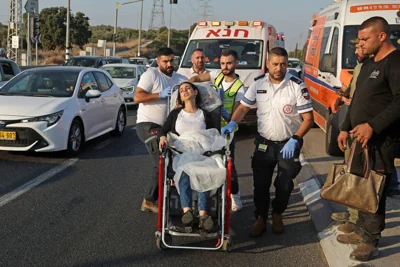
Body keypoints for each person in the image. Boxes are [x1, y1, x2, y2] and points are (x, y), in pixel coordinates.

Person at [222, 47, 314, 237]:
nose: (279, 68)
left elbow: (308, 119)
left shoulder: (297, 86)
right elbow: (243, 108)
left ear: (287, 64)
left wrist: (295, 139)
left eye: (283, 64)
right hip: (264, 144)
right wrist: (232, 122)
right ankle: (261, 218)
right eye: (275, 64)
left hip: (288, 144)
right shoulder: (258, 84)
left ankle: (278, 213)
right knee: (261, 185)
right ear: (267, 64)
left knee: (285, 184)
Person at [337, 16, 400, 262]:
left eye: (365, 38)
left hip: (381, 140)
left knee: (374, 188)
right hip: (359, 138)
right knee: (361, 186)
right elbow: (356, 101)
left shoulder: (395, 62)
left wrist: (372, 125)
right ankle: (361, 229)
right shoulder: (371, 63)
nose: (361, 43)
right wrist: (344, 127)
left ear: (382, 36)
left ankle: (370, 239)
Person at [189, 48, 245, 212]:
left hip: (226, 132)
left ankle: (235, 197)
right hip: (210, 128)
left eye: (228, 63)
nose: (225, 66)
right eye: (222, 63)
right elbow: (197, 78)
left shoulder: (240, 88)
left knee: (229, 165)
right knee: (207, 162)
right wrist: (191, 84)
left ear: (236, 63)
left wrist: (228, 116)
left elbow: (236, 113)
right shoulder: (216, 75)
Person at [134, 47, 188, 213]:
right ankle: (149, 200)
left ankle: (172, 197)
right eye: (165, 61)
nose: (169, 64)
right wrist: (159, 95)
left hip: (168, 128)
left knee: (175, 161)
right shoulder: (151, 75)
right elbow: (137, 97)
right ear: (158, 62)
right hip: (148, 125)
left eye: (171, 60)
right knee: (161, 160)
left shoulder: (180, 78)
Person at [158, 81, 217, 231]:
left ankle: (203, 215)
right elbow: (163, 130)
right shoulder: (175, 114)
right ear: (180, 97)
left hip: (201, 153)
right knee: (184, 171)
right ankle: (187, 213)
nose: (184, 91)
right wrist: (162, 137)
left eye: (187, 88)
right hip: (182, 152)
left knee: (203, 172)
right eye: (181, 90)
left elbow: (213, 135)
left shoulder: (205, 114)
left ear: (195, 92)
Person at [330, 40, 369, 234]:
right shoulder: (360, 67)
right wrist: (341, 96)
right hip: (352, 128)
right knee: (350, 171)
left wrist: (349, 100)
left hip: (363, 131)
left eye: (360, 46)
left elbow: (363, 100)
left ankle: (357, 220)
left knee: (359, 175)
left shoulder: (373, 69)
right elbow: (351, 91)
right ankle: (351, 211)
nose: (356, 50)